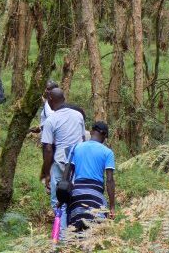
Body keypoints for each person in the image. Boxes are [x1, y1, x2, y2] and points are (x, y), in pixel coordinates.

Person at [40, 88, 86, 236]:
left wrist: (47, 174)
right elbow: (83, 140)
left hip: (60, 163)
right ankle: (76, 232)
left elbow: (47, 148)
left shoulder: (51, 120)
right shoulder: (78, 115)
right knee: (75, 196)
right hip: (77, 163)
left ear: (51, 100)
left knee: (57, 200)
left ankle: (62, 235)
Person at [68, 121, 116, 230]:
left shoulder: (76, 148)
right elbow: (109, 180)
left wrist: (62, 199)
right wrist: (112, 206)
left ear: (91, 132)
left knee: (74, 234)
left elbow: (68, 175)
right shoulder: (107, 152)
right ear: (104, 135)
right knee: (94, 235)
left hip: (76, 194)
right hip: (96, 196)